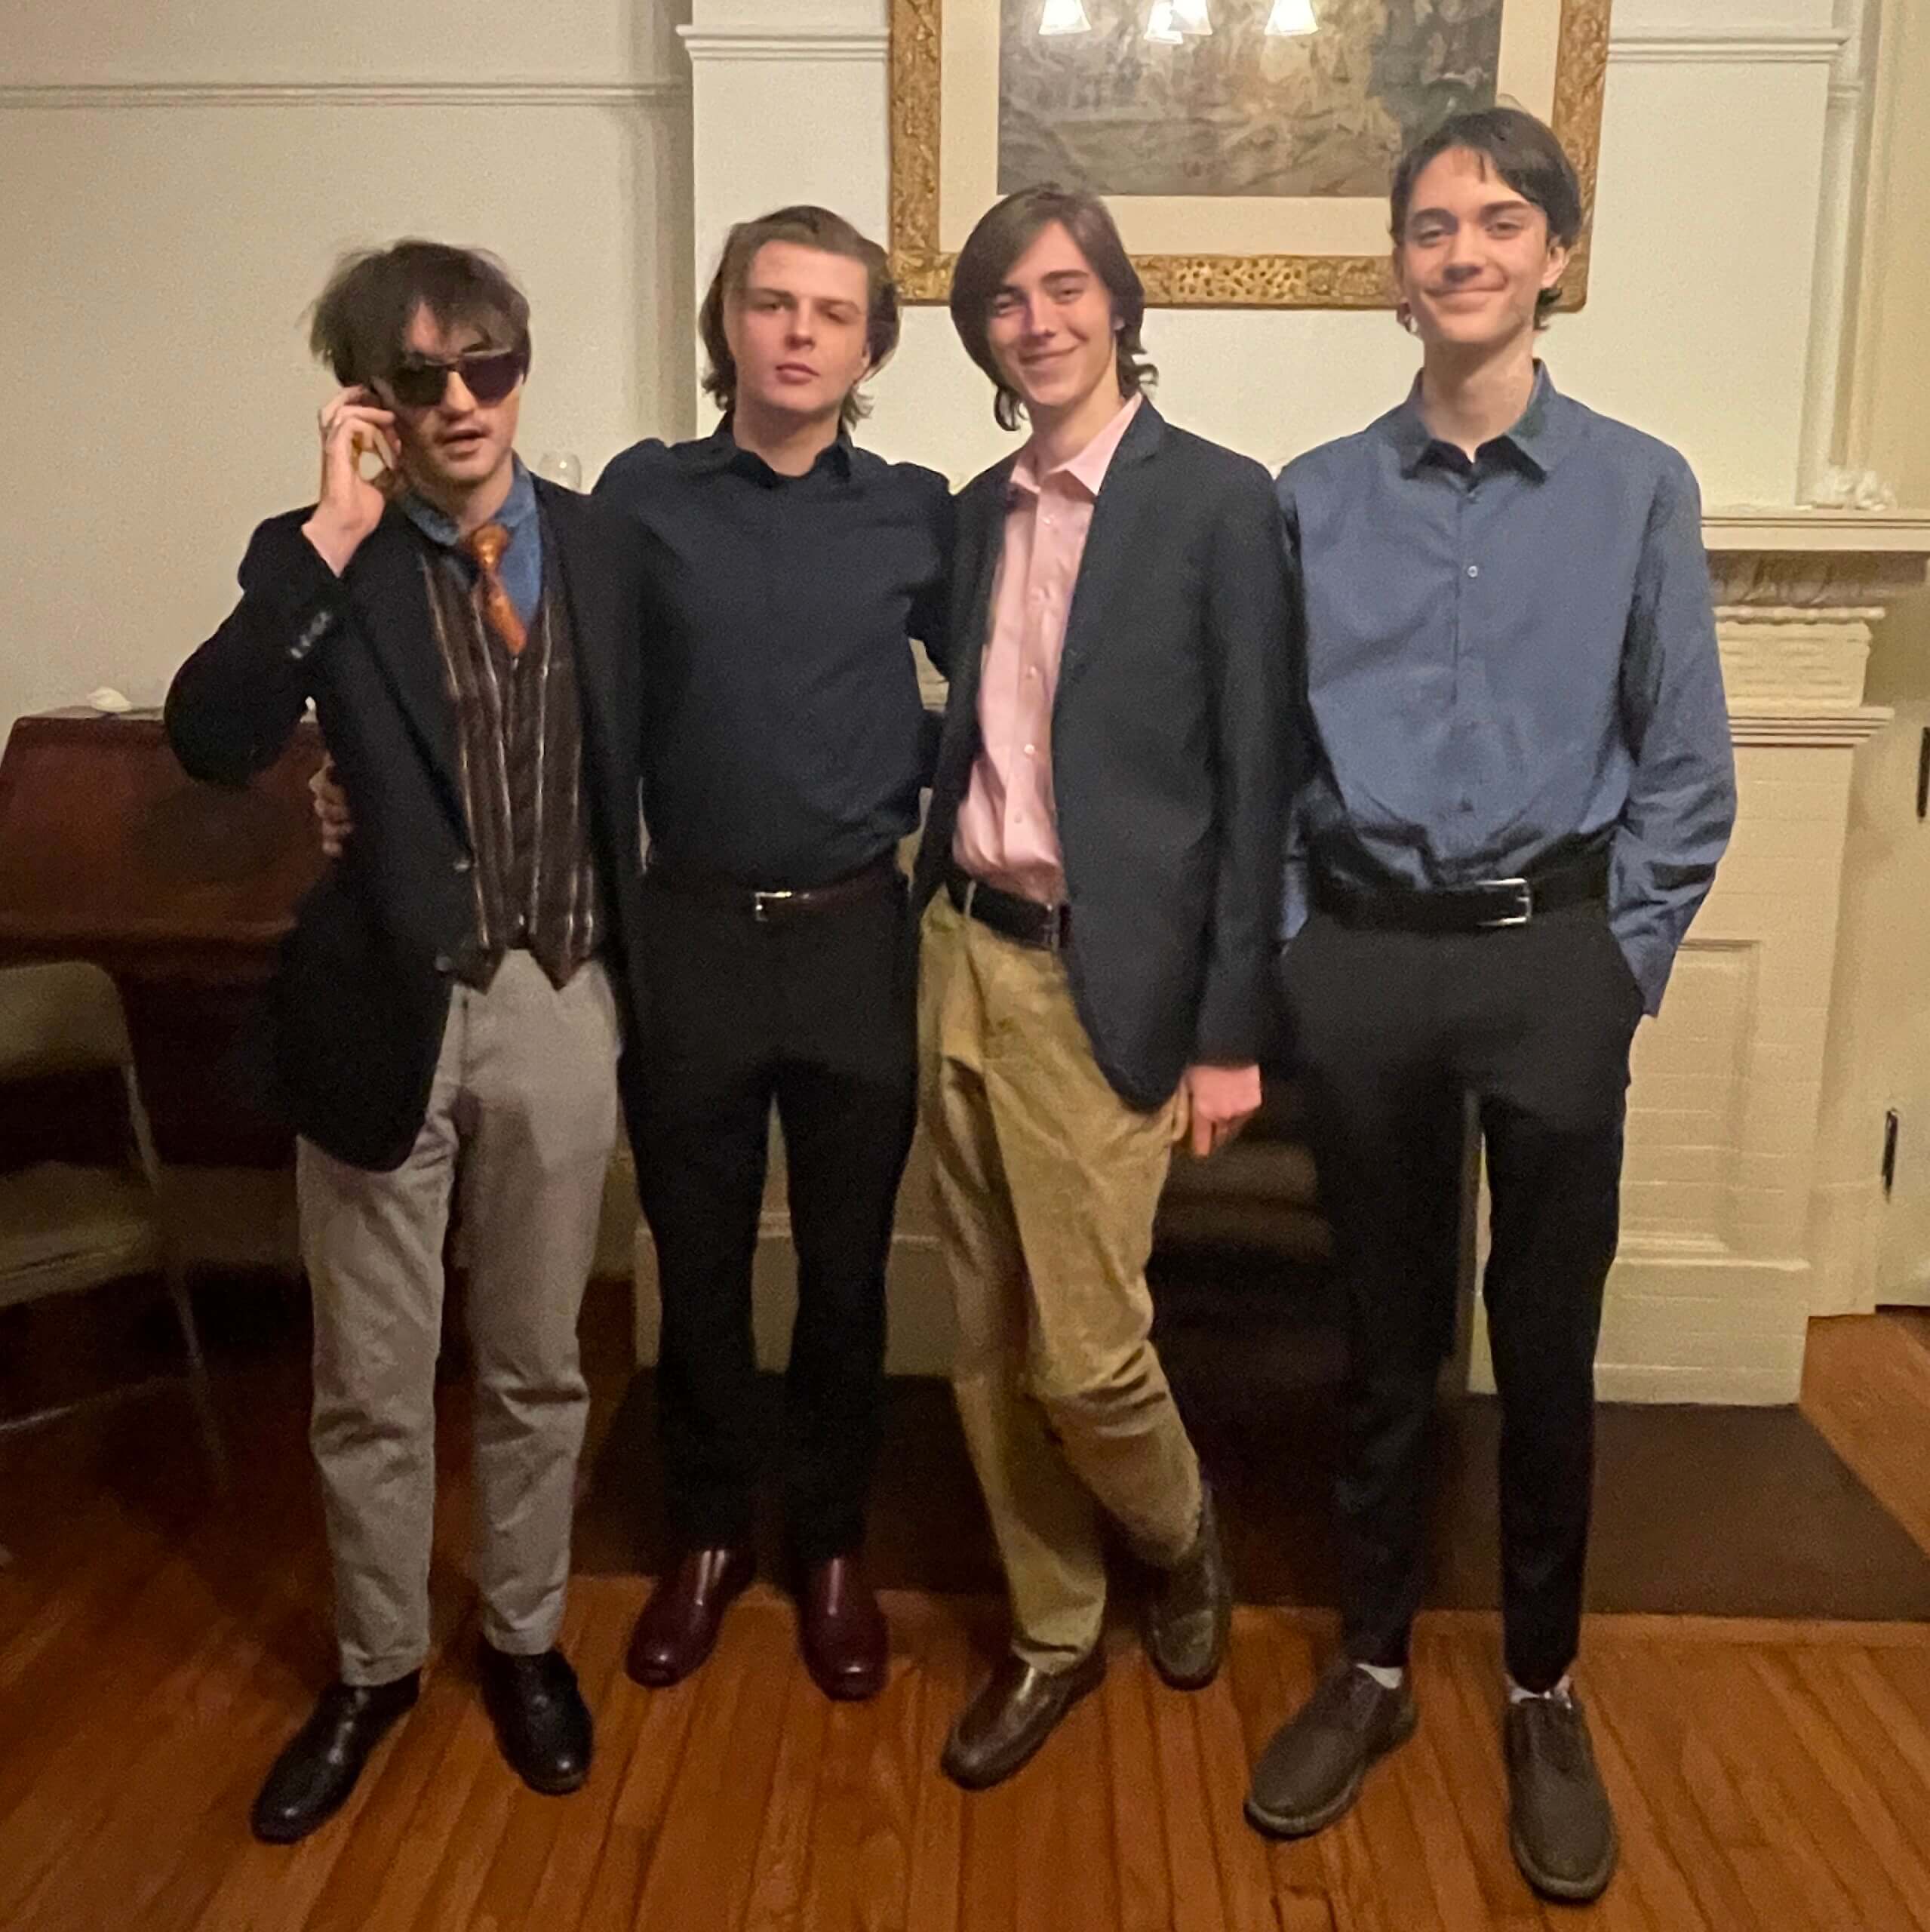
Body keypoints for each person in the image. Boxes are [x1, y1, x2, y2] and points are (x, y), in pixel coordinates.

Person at [1244, 109, 1736, 1906]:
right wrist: (1299, 947)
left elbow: (1685, 761)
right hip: (1364, 963)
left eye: (1500, 220)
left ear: (1554, 258)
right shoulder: (1310, 497)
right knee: (1381, 1339)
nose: (1463, 250)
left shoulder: (1636, 487)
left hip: (1552, 964)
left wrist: (1618, 965)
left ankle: (1540, 1683)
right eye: (1433, 224)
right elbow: (1267, 753)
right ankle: (1372, 1662)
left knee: (1543, 1341)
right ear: (1398, 265)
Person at [167, 241, 648, 1841]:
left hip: (559, 994)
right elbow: (215, 735)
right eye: (420, 376)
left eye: (485, 363)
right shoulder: (323, 559)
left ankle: (523, 1638)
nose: (460, 400)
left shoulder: (604, 547)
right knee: (370, 1377)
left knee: (536, 1361)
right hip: (381, 1002)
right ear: (370, 398)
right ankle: (375, 1665)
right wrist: (329, 531)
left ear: (522, 366)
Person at [915, 185, 1291, 1789]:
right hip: (957, 952)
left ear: (1119, 307)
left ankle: (1180, 1532)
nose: (1039, 320)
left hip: (1105, 983)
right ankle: (1054, 1625)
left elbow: (1259, 783)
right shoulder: (971, 513)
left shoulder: (1218, 502)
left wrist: (1228, 1032)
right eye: (1006, 299)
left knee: (1083, 1354)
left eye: (1065, 288)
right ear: (981, 335)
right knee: (983, 1341)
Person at [595, 207, 951, 1701]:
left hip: (856, 934)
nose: (799, 332)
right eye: (771, 303)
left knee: (848, 1273)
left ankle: (830, 1542)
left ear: (869, 347)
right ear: (727, 324)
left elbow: (1017, 688)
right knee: (696, 1261)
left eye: (832, 311)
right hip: (690, 933)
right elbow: (573, 700)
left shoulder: (919, 512)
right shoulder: (642, 499)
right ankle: (704, 1534)